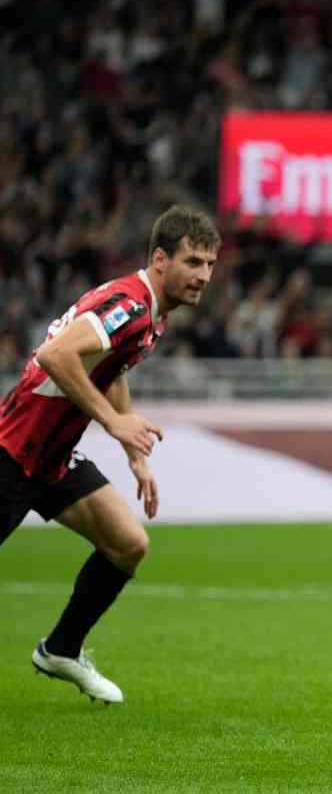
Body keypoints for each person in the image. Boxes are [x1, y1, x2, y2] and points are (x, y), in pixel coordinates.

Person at [0, 204, 221, 703]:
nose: (204, 276)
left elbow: (111, 370)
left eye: (210, 265)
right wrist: (113, 421)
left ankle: (61, 650)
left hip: (52, 459)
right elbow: (55, 355)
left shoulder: (150, 315)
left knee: (127, 543)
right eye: (193, 262)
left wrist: (133, 454)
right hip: (12, 453)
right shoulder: (131, 305)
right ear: (161, 260)